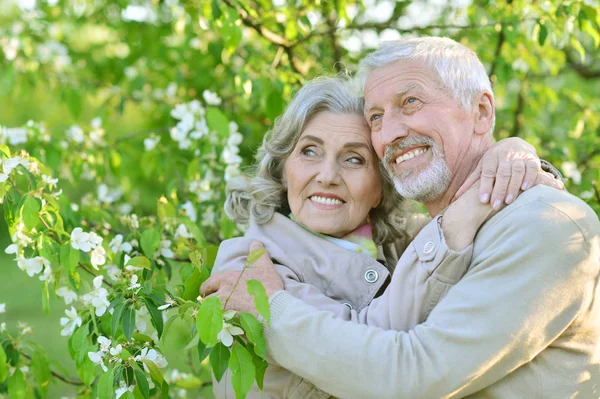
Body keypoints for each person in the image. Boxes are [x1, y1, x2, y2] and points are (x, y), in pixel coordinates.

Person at [202, 37, 600, 398]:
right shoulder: (249, 266)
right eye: (375, 117)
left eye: (410, 101)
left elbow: (408, 373)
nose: (390, 132)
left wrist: (515, 156)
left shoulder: (539, 227)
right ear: (282, 166)